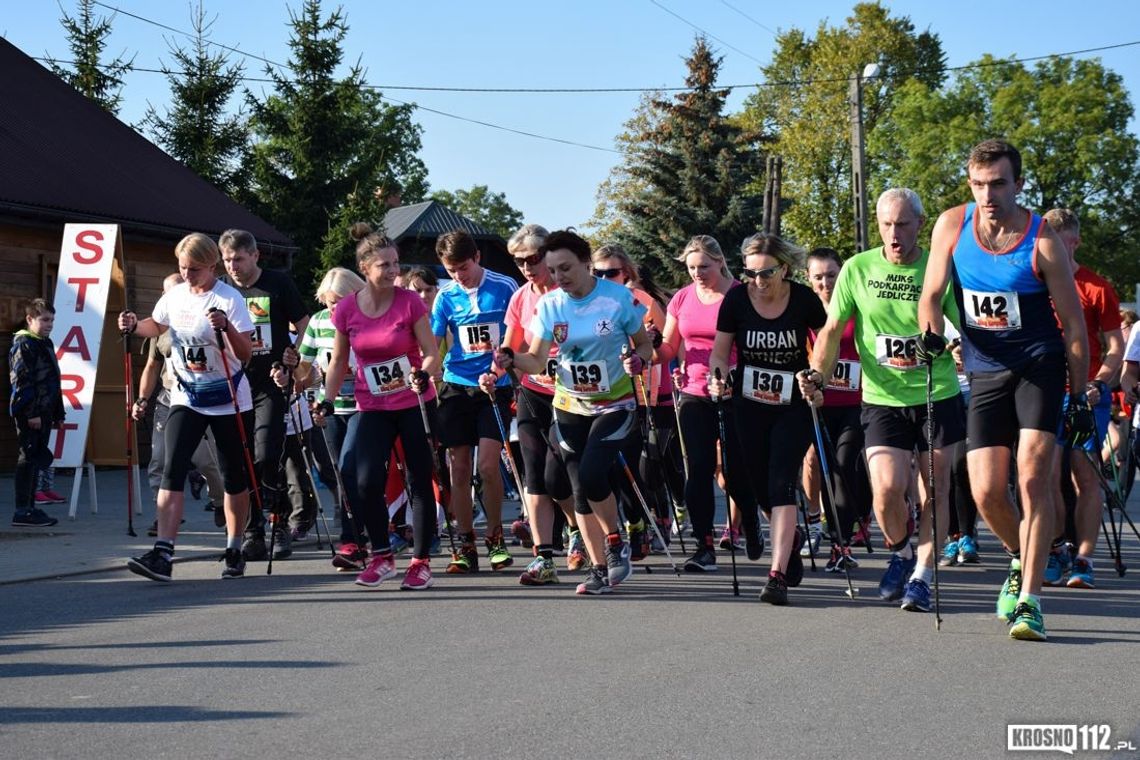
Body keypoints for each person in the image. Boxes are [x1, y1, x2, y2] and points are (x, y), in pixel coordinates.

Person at [918, 140, 1090, 641]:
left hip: (1039, 365)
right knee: (987, 491)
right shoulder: (952, 226)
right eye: (979, 184)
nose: (988, 194)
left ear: (1018, 183)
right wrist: (932, 335)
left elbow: (1075, 328)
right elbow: (931, 295)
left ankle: (1030, 602)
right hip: (985, 369)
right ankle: (1022, 555)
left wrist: (1077, 398)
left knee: (1033, 479)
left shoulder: (1043, 241)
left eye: (998, 183)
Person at [800, 188, 964, 614]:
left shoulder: (938, 266)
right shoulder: (857, 269)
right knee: (887, 489)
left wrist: (952, 345)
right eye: (887, 225)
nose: (895, 234)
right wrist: (818, 374)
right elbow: (832, 330)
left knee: (937, 490)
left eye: (904, 224)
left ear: (920, 225)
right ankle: (903, 552)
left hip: (936, 392)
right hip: (881, 397)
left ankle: (923, 578)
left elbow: (960, 325)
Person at [488, 229, 652, 595]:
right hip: (569, 406)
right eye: (553, 270)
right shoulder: (550, 305)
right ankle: (598, 567)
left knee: (594, 474)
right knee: (579, 490)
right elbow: (533, 359)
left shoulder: (616, 298)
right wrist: (511, 359)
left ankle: (615, 542)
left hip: (614, 405)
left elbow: (644, 344)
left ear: (585, 262)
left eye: (566, 268)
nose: (559, 277)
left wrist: (638, 359)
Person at [118, 233, 255, 581]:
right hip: (186, 395)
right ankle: (163, 553)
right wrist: (135, 325)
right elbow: (157, 325)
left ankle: (235, 546)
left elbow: (245, 353)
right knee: (171, 468)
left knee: (233, 476)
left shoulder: (229, 298)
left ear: (211, 265)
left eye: (194, 268)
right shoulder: (175, 295)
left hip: (227, 398)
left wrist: (225, 328)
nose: (188, 274)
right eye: (182, 267)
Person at [322, 230, 443, 590]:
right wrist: (326, 400)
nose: (394, 270)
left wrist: (423, 373)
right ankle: (381, 555)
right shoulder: (346, 309)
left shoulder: (409, 302)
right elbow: (340, 360)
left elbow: (432, 352)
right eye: (384, 265)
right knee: (365, 480)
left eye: (396, 263)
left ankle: (420, 562)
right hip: (371, 404)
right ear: (364, 268)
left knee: (419, 480)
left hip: (413, 400)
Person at [708, 234, 823, 604]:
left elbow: (825, 343)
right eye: (750, 273)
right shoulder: (737, 299)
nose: (757, 281)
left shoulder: (803, 298)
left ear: (784, 269)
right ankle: (789, 543)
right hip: (749, 403)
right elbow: (720, 353)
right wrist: (717, 376)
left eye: (766, 273)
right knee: (758, 486)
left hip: (792, 404)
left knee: (781, 481)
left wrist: (817, 376)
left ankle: (776, 577)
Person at [658, 236, 761, 571]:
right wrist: (645, 351)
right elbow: (668, 348)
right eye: (690, 267)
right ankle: (703, 546)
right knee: (698, 469)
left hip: (736, 391)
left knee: (735, 471)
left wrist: (735, 372)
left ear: (720, 262)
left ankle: (750, 520)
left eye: (704, 266)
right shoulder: (682, 299)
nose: (697, 273)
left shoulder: (742, 294)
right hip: (694, 392)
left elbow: (757, 345)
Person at [1042, 208, 1123, 590]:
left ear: (1075, 242)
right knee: (1044, 475)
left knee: (1084, 477)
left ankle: (1084, 558)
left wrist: (1100, 384)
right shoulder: (1034, 284)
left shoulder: (1097, 287)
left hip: (1087, 394)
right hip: (1043, 391)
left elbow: (1114, 347)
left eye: (1062, 242)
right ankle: (1057, 548)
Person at [219, 229, 310, 562]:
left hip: (270, 382)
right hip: (233, 383)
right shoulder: (222, 290)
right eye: (227, 260)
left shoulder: (277, 283)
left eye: (238, 259)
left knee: (266, 455)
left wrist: (293, 357)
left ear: (255, 256)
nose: (233, 266)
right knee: (242, 462)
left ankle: (280, 520)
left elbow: (304, 324)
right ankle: (254, 530)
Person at [430, 229, 519, 573]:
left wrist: (500, 372)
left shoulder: (504, 286)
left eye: (463, 267)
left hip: (495, 386)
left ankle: (495, 536)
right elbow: (434, 343)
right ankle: (466, 543)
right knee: (459, 465)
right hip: (457, 384)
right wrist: (426, 373)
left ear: (477, 258)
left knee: (487, 466)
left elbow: (515, 336)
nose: (458, 276)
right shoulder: (445, 295)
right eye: (451, 269)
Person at [498, 224, 580, 585]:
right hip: (533, 392)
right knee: (533, 474)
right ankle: (543, 557)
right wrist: (497, 366)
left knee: (556, 476)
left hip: (573, 395)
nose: (527, 267)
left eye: (533, 258)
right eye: (519, 261)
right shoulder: (521, 298)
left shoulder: (570, 295)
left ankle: (577, 529)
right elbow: (509, 346)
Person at [592, 243, 682, 556]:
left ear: (626, 273)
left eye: (611, 272)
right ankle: (636, 524)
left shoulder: (642, 301)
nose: (604, 277)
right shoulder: (587, 304)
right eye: (598, 272)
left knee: (646, 463)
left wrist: (651, 347)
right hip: (605, 395)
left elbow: (665, 346)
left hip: (645, 393)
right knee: (615, 467)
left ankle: (655, 520)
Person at [134, 272, 226, 535]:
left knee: (205, 461)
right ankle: (162, 515)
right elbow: (152, 366)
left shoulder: (201, 320)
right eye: (166, 293)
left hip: (198, 399)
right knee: (160, 461)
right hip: (168, 398)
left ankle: (220, 501)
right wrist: (142, 399)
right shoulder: (159, 328)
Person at [800, 247, 872, 572]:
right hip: (818, 403)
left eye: (832, 275)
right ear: (808, 279)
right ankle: (830, 533)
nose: (826, 282)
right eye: (819, 277)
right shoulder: (803, 314)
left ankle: (841, 543)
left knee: (845, 464)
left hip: (855, 402)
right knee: (824, 467)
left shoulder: (855, 309)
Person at [298, 265, 371, 570]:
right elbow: (305, 366)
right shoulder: (317, 323)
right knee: (340, 474)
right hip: (328, 406)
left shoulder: (366, 319)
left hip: (362, 406)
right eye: (330, 302)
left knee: (352, 468)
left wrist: (356, 371)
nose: (335, 308)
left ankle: (356, 537)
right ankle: (355, 539)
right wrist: (303, 374)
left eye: (341, 301)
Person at [9, 298, 64, 527]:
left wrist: (58, 412)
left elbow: (53, 380)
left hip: (45, 411)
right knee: (28, 457)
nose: (49, 324)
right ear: (30, 319)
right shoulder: (24, 344)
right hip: (31, 412)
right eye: (44, 320)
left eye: (52, 320)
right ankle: (22, 510)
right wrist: (31, 413)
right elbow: (22, 381)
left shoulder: (45, 342)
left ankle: (31, 507)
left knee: (37, 457)